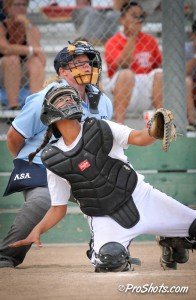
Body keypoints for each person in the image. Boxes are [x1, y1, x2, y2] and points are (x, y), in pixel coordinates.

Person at [9, 85, 196, 273]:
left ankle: (174, 241)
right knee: (110, 261)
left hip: (141, 197)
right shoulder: (53, 157)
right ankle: (110, 251)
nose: (68, 100)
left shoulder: (100, 127)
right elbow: (58, 207)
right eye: (61, 99)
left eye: (70, 98)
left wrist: (153, 131)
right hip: (104, 217)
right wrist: (38, 230)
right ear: (50, 113)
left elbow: (139, 137)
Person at [0, 40, 113, 268]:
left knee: (113, 195)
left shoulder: (103, 102)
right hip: (44, 166)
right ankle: (6, 255)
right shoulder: (46, 96)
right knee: (43, 199)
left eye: (89, 62)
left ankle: (106, 251)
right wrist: (27, 163)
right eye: (78, 63)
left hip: (80, 169)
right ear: (62, 71)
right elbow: (14, 136)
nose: (86, 67)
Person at [104, 1, 196, 131]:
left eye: (141, 16)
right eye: (134, 15)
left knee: (160, 74)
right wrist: (133, 37)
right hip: (120, 88)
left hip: (146, 89)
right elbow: (123, 64)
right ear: (122, 19)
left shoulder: (149, 40)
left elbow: (159, 66)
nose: (138, 19)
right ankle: (119, 127)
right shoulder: (113, 41)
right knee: (127, 74)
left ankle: (162, 123)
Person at [0, 0, 45, 109]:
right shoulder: (2, 26)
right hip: (3, 72)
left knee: (35, 62)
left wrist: (27, 25)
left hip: (24, 74)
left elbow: (41, 58)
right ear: (7, 8)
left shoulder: (30, 28)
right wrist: (30, 50)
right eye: (16, 5)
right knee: (12, 59)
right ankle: (13, 107)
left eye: (24, 5)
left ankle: (36, 106)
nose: (21, 8)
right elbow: (5, 49)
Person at [186, 19, 196, 114]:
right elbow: (181, 73)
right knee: (187, 81)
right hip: (190, 93)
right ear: (193, 35)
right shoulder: (185, 49)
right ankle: (191, 119)